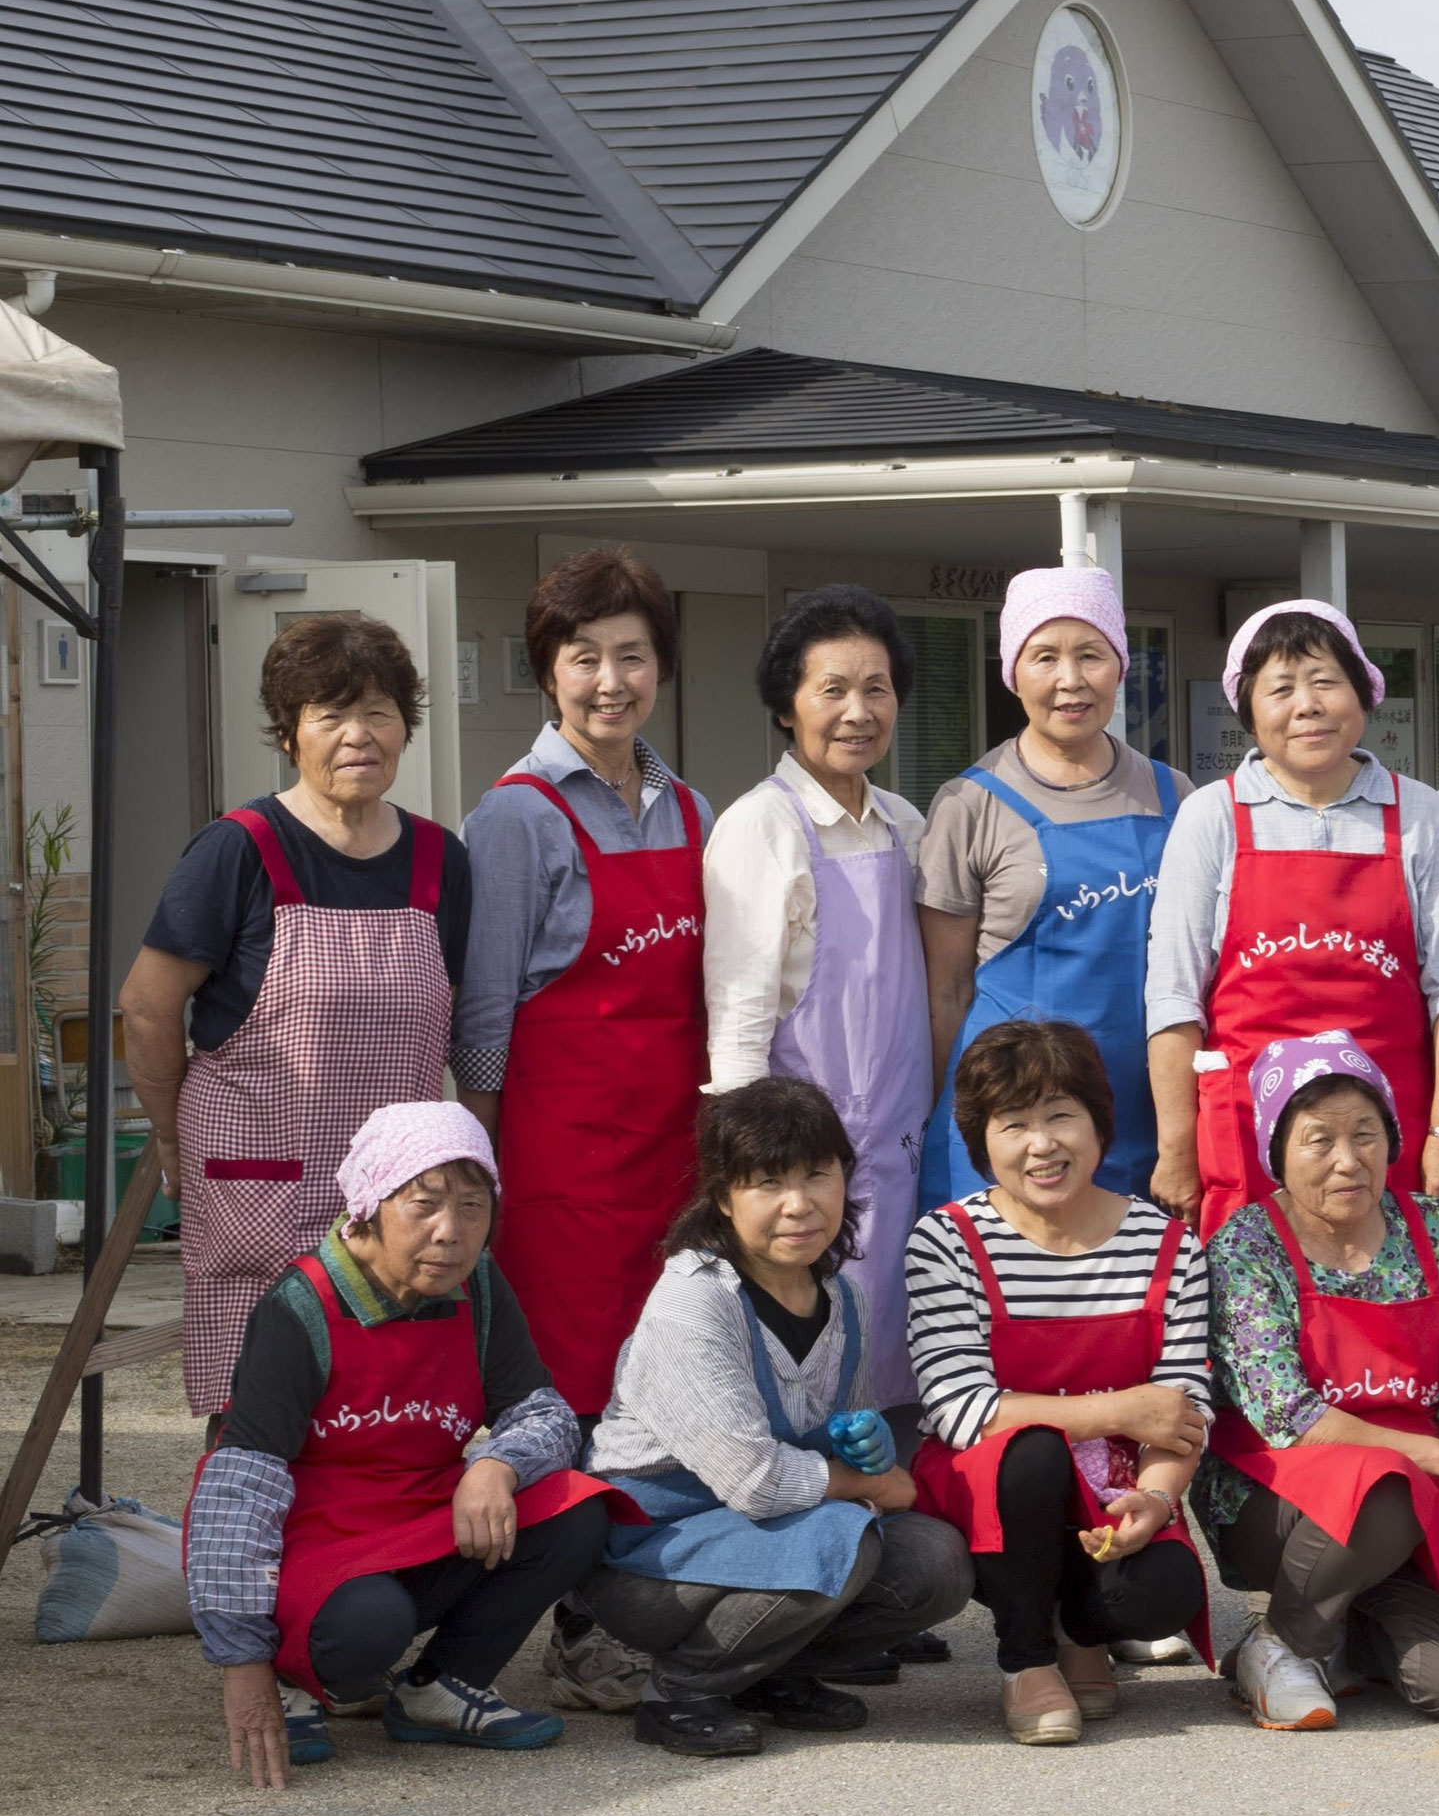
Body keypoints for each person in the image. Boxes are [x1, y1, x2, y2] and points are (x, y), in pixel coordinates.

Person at [184, 1103, 620, 1782]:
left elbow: (543, 1411)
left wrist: (498, 1463)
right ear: (368, 1203)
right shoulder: (301, 1307)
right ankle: (293, 1673)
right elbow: (240, 1489)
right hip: (314, 1535)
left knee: (576, 1508)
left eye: (473, 1206)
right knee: (368, 1624)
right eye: (424, 1204)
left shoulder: (479, 1285)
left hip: (418, 1512)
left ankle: (441, 1687)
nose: (451, 1232)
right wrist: (243, 1664)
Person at [122, 615, 468, 1421]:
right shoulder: (238, 849)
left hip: (393, 1203)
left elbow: (464, 1024)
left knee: (387, 1416)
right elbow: (146, 1004)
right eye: (329, 714)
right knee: (262, 1420)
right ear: (289, 732)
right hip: (261, 1185)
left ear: (405, 728)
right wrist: (172, 1132)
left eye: (378, 712)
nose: (358, 735)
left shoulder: (438, 859)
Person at [582, 1079, 976, 1759]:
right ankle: (681, 1689)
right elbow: (760, 1483)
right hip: (649, 1563)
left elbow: (845, 1434)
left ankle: (773, 1672)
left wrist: (869, 1448)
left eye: (817, 1175)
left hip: (760, 1536)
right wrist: (875, 1487)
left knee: (935, 1562)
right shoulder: (694, 1303)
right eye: (768, 1182)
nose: (799, 1204)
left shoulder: (843, 1296)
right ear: (725, 1195)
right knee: (844, 1535)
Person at [904, 1021, 1213, 1747]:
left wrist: (1159, 1496)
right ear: (983, 1143)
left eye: (1059, 1115)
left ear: (1099, 1125)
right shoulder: (945, 1240)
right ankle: (1026, 1657)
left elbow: (1183, 1411)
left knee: (1165, 1591)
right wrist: (1121, 1408)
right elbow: (961, 1406)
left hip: (1115, 1490)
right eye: (1014, 1123)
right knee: (1033, 1450)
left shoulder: (1166, 1244)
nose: (1041, 1144)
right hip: (994, 1486)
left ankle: (1081, 1627)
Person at [1197, 1032, 1439, 1731]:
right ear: (1277, 1151)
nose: (1349, 1160)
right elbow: (1292, 1416)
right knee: (1386, 1486)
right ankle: (1280, 1640)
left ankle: (1342, 1620)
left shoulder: (1436, 1229)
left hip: (1415, 1505)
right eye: (1319, 1140)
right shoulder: (1245, 1246)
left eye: (1365, 1134)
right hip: (1276, 1500)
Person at [1148, 598, 1439, 1248]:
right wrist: (1176, 1149)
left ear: (1364, 696)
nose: (1306, 705)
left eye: (1325, 681)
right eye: (1280, 688)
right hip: (1248, 1139)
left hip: (1387, 1137)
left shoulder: (1415, 811)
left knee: (1388, 1325)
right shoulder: (1211, 816)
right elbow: (1172, 999)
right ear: (1249, 708)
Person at [457, 545, 709, 1416]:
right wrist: (483, 1169)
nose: (611, 680)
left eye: (632, 655)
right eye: (585, 657)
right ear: (547, 671)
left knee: (681, 1361)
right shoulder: (515, 816)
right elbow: (482, 1016)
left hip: (679, 1154)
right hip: (562, 1164)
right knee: (572, 1379)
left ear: (663, 667)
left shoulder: (692, 809)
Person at [706, 584, 930, 1410]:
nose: (857, 710)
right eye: (831, 689)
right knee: (812, 1383)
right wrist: (747, 1172)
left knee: (903, 1365)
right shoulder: (758, 826)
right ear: (787, 706)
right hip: (802, 1158)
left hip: (902, 1146)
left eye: (876, 687)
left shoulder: (905, 823)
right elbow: (736, 1019)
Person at [915, 563, 1182, 1208]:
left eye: (1091, 654)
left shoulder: (1178, 798)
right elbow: (946, 989)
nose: (1071, 680)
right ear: (1013, 672)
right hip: (1008, 1119)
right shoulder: (968, 805)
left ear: (1119, 665)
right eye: (1044, 657)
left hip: (1143, 1111)